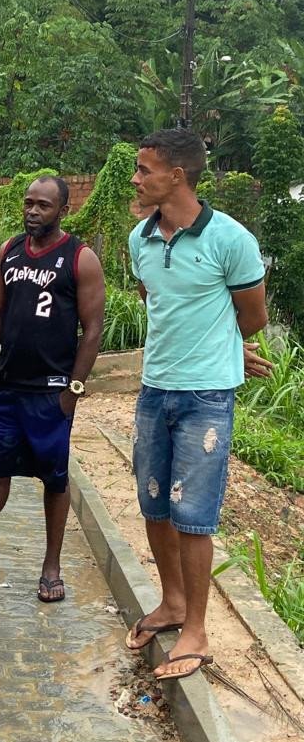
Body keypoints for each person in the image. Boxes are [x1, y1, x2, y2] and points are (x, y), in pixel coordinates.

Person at [125, 128, 268, 681]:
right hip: (154, 388)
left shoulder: (231, 240)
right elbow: (156, 299)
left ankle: (197, 631)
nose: (136, 179)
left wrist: (228, 349)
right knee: (154, 503)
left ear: (177, 175)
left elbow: (251, 317)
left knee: (194, 513)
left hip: (207, 394)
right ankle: (172, 602)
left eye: (144, 169)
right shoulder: (141, 238)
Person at [0, 176, 106, 602]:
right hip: (6, 386)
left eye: (43, 205)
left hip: (52, 391)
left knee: (54, 478)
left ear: (62, 209)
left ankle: (51, 566)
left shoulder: (79, 258)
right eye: (29, 203)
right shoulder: (8, 252)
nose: (33, 211)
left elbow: (94, 329)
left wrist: (73, 391)